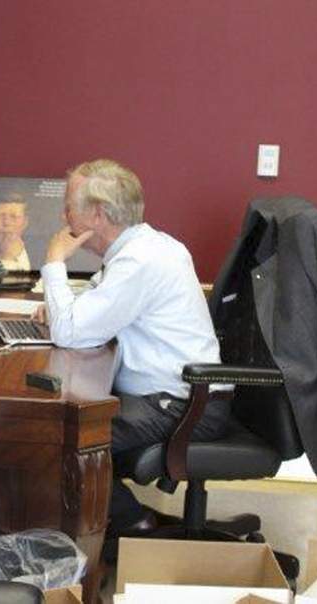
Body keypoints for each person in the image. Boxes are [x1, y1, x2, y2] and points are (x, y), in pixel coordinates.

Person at [36, 158, 230, 536]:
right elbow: (90, 306)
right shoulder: (144, 248)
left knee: (58, 436)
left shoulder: (140, 259)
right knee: (63, 425)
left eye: (69, 205)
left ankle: (131, 523)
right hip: (180, 394)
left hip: (185, 404)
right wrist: (64, 306)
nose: (63, 214)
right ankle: (115, 519)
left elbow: (69, 333)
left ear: (97, 215)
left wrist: (55, 263)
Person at [0, 193, 31, 271]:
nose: (7, 223)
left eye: (14, 217)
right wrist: (6, 257)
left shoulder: (42, 250)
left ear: (25, 222)